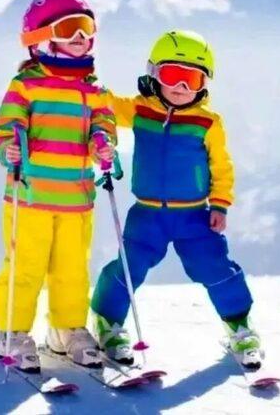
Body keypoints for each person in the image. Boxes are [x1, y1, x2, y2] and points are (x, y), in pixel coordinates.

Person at [92, 30, 262, 369]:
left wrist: (220, 203)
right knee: (130, 266)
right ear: (154, 74)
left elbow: (221, 165)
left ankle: (240, 327)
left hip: (194, 215)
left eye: (192, 79)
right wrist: (87, 85)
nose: (181, 87)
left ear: (204, 83)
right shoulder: (141, 110)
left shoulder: (208, 122)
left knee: (214, 266)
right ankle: (108, 322)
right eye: (173, 75)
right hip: (147, 214)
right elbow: (106, 105)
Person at [0, 0, 115, 372]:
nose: (80, 36)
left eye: (86, 27)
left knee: (72, 269)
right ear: (42, 36)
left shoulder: (94, 90)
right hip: (30, 197)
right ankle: (11, 333)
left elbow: (103, 126)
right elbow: (6, 128)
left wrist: (102, 144)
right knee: (25, 268)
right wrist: (9, 148)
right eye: (70, 28)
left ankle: (66, 331)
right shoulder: (26, 85)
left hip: (76, 200)